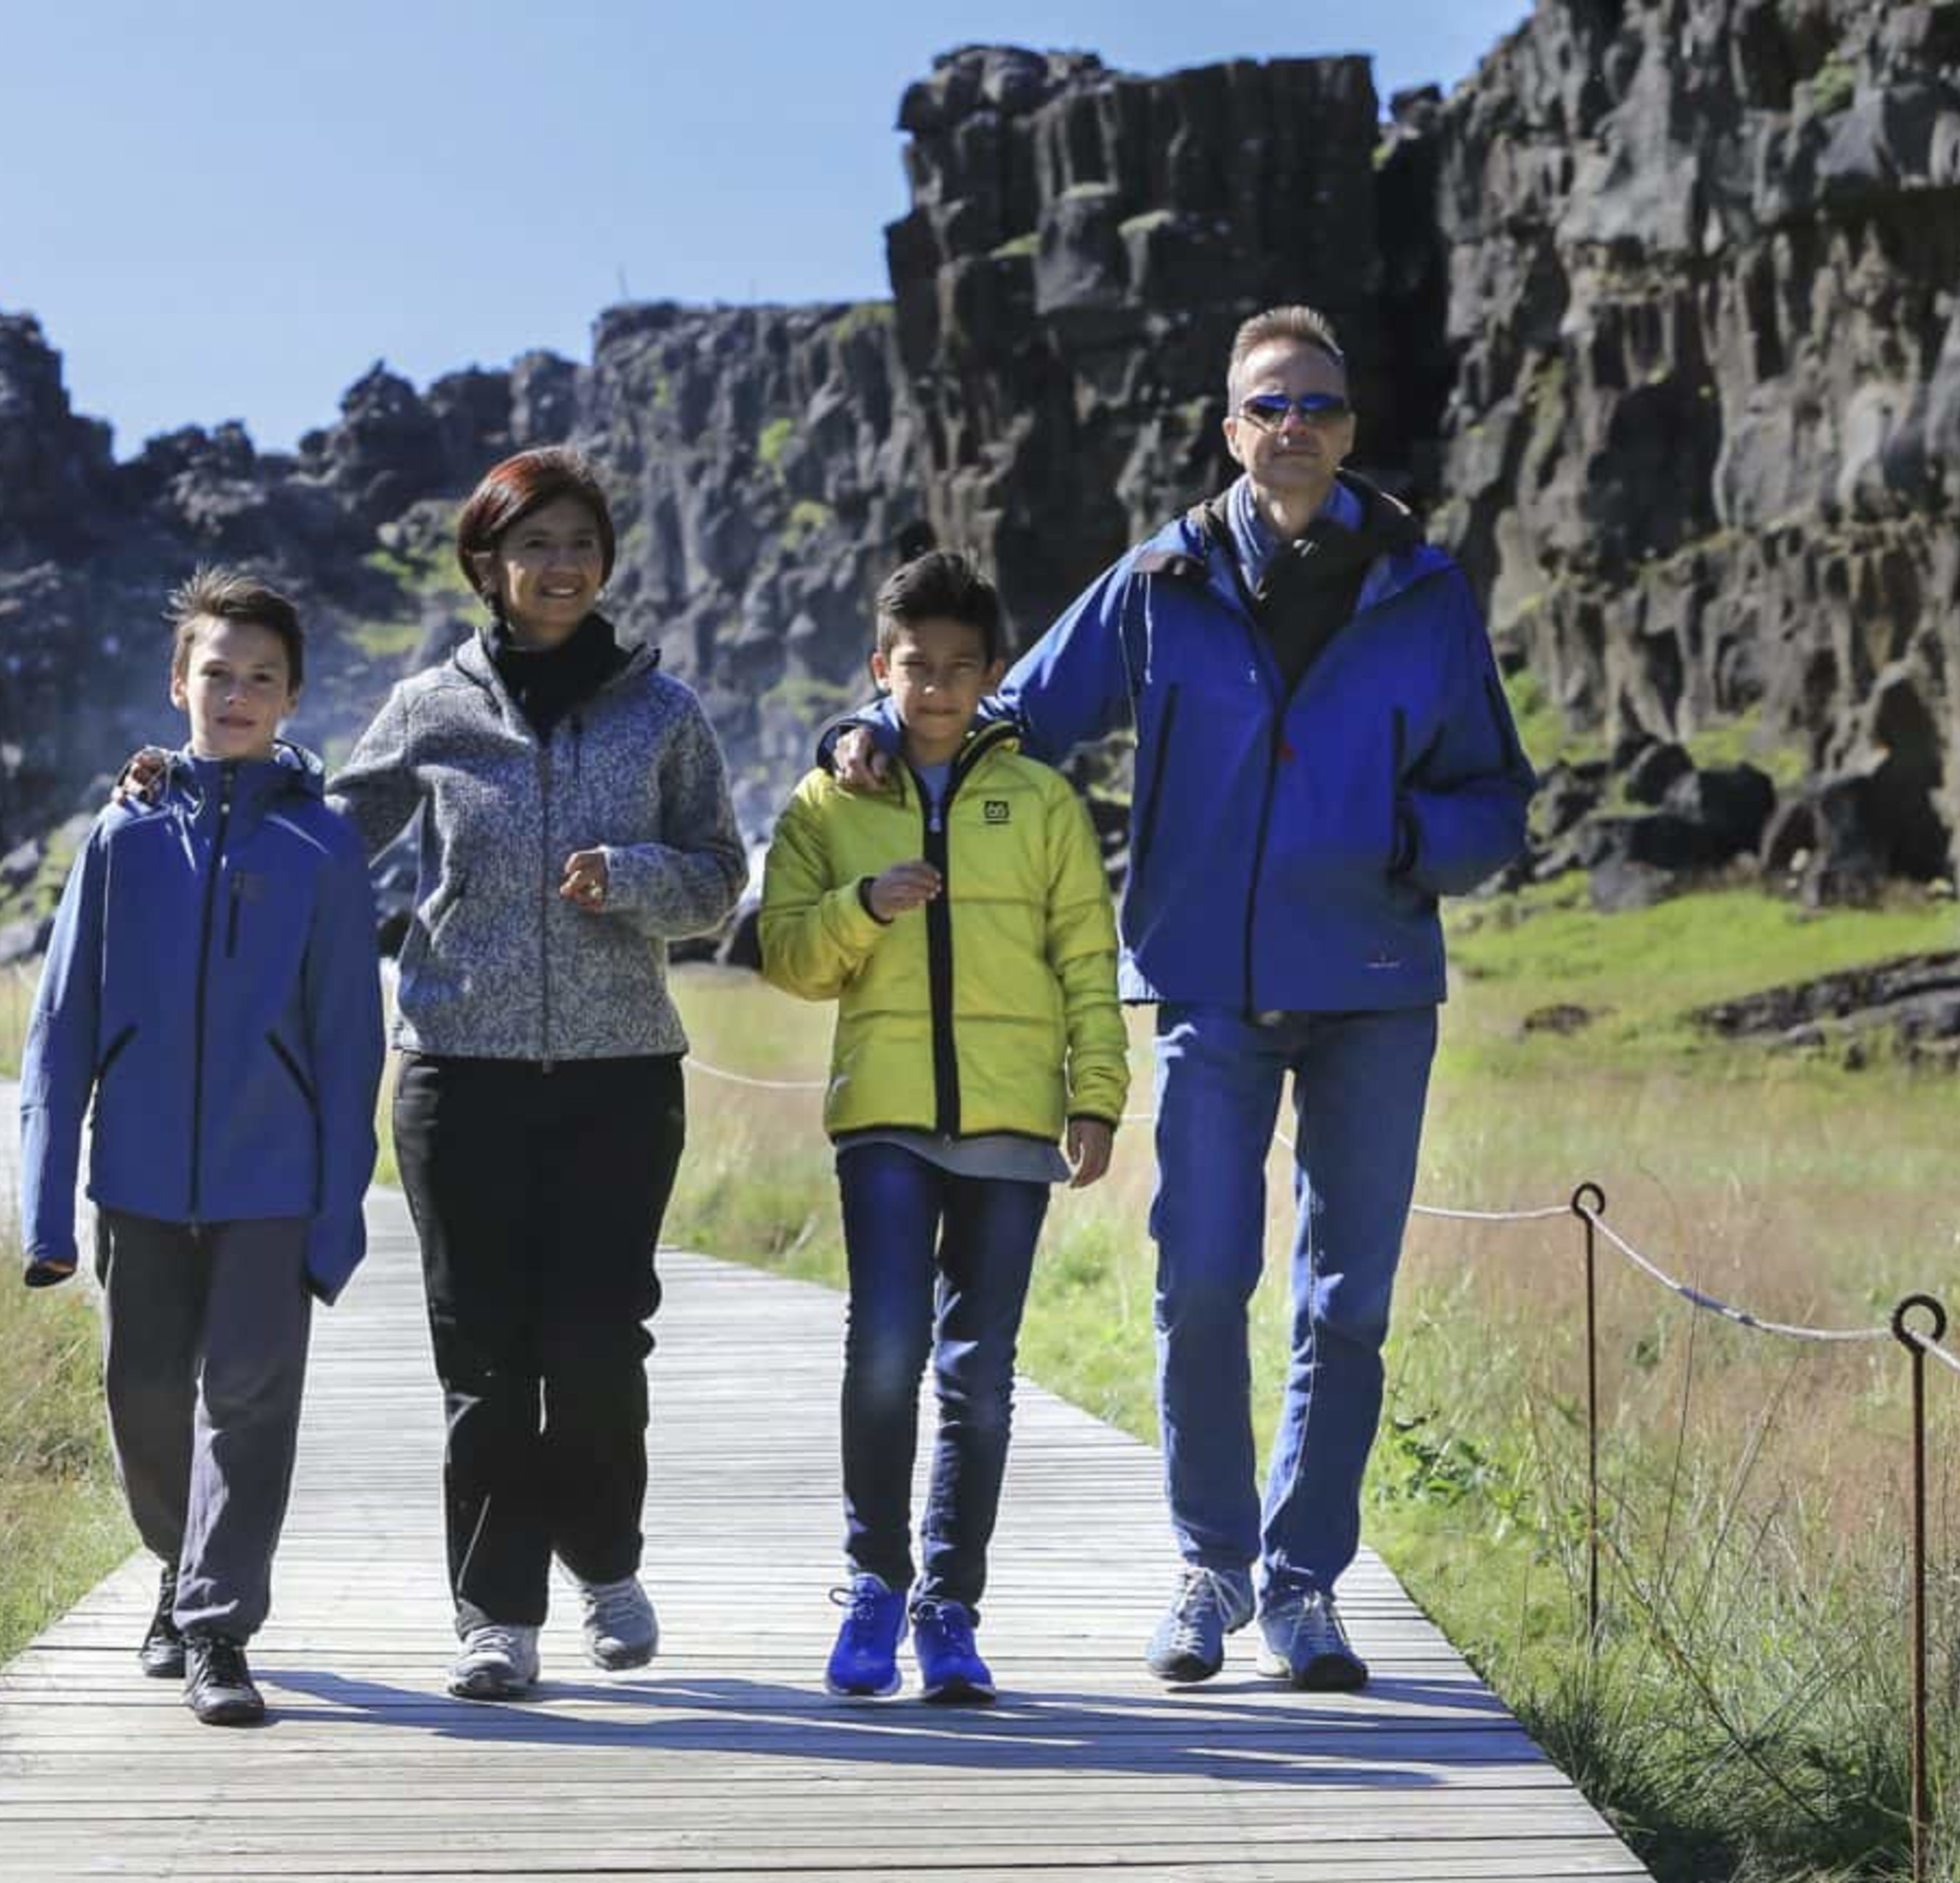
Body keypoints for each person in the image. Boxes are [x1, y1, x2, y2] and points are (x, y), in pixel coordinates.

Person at [827, 306, 1535, 1692]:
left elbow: (1496, 793)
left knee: (1348, 1297)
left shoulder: (1425, 587)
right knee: (1203, 1281)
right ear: (1231, 431)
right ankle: (1209, 1567)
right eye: (1270, 406)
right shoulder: (1159, 581)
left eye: (1319, 406)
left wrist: (1405, 847)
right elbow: (1010, 708)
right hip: (1207, 986)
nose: (1296, 428)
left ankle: (1304, 1584)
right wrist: (864, 732)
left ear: (1349, 426)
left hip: (1377, 986)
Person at [336, 448, 747, 1699]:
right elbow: (322, 830)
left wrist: (631, 878)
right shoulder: (429, 709)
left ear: (604, 560)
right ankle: (495, 1614)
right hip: (459, 1077)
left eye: (579, 542)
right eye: (533, 545)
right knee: (486, 1358)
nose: (558, 565)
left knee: (599, 1347)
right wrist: (192, 785)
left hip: (622, 1077)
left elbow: (722, 876)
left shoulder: (664, 715)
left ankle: (607, 1565)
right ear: (488, 565)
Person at [761, 550, 1128, 1703]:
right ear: (882, 668)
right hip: (884, 1121)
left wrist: (1097, 1094)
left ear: (994, 674)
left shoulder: (1045, 803)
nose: (936, 687)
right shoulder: (834, 797)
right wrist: (863, 907)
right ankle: (874, 1581)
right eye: (915, 667)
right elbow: (786, 955)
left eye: (960, 668)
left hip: (1015, 1122)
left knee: (980, 1374)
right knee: (886, 1348)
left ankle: (950, 1608)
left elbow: (1085, 952)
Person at [21, 570, 383, 1728]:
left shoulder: (323, 846)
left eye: (260, 678)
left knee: (250, 1399)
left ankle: (220, 1626)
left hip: (269, 1184)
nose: (234, 694)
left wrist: (338, 1212)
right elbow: (60, 1025)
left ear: (289, 701)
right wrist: (43, 1212)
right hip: (134, 1181)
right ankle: (177, 1573)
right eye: (215, 672)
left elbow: (348, 1044)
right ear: (179, 683)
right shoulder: (120, 839)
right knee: (141, 1393)